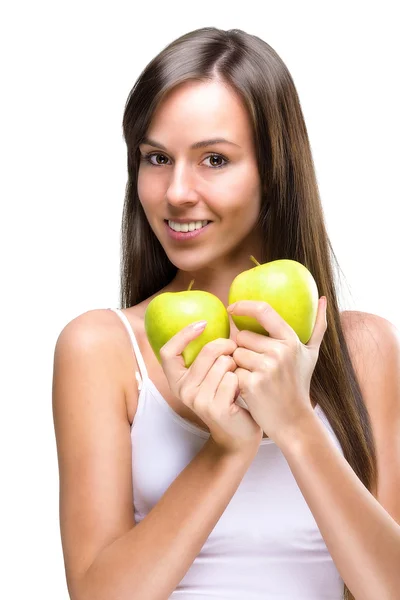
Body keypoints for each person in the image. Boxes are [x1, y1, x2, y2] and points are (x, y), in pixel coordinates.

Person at [52, 27, 400, 600]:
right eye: (156, 158)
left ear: (275, 170)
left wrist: (294, 425)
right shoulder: (101, 348)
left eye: (214, 159)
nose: (177, 191)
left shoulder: (364, 348)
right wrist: (227, 448)